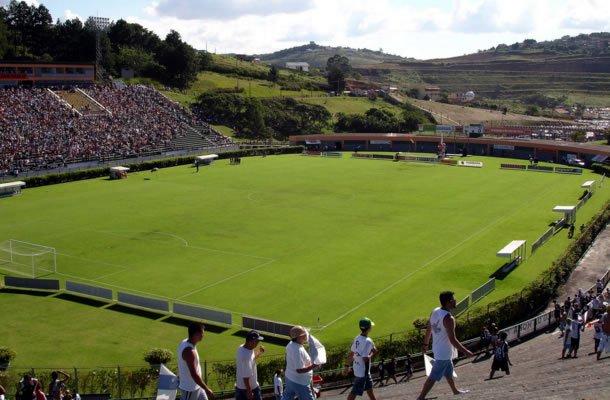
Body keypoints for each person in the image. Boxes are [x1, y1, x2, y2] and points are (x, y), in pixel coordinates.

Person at [416, 291, 474, 400]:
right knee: (434, 375)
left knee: (448, 370)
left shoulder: (435, 311)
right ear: (449, 302)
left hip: (438, 348)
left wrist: (425, 344)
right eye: (453, 298)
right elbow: (453, 339)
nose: (455, 300)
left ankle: (455, 390)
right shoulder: (449, 319)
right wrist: (465, 351)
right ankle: (421, 397)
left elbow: (429, 328)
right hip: (444, 351)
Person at [177, 322, 215, 400]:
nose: (203, 335)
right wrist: (207, 389)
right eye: (202, 333)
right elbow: (194, 374)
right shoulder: (189, 352)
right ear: (196, 334)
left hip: (197, 386)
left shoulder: (184, 342)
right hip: (190, 389)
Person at [344, 317, 377, 400]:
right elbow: (365, 359)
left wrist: (347, 366)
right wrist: (373, 353)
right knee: (354, 392)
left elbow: (352, 353)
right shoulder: (368, 341)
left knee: (369, 389)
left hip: (357, 368)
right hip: (363, 372)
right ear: (369, 328)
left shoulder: (357, 337)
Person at [281, 326, 317, 400]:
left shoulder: (291, 344)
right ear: (299, 337)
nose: (305, 336)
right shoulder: (298, 350)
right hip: (299, 382)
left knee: (286, 397)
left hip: (289, 379)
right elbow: (299, 370)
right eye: (304, 335)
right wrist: (314, 365)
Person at [235, 330, 265, 400]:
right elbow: (245, 377)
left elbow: (252, 359)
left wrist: (259, 352)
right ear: (251, 341)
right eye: (257, 341)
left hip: (241, 388)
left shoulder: (243, 347)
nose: (258, 343)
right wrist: (249, 391)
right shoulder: (246, 356)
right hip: (250, 389)